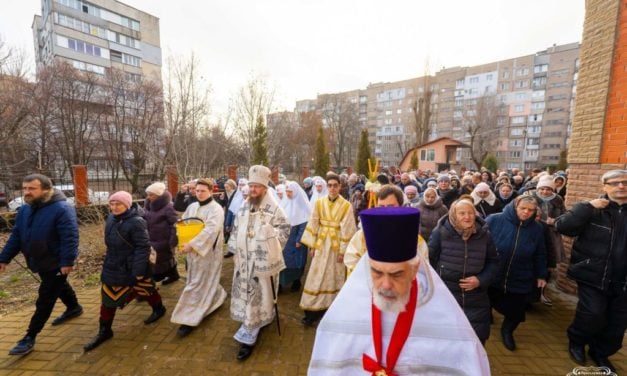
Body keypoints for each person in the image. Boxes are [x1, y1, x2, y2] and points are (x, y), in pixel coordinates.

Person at [308, 207, 490, 375]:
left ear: (415, 268)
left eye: (396, 274)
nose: (385, 285)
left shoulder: (444, 316)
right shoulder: (346, 310)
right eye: (377, 273)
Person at [0, 174, 82, 356]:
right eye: (25, 188)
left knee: (45, 297)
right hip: (38, 260)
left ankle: (29, 336)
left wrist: (67, 261)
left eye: (32, 189)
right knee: (58, 286)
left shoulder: (62, 209)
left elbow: (70, 238)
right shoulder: (25, 209)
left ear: (46, 189)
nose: (26, 192)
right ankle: (74, 307)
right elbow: (16, 236)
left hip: (55, 261)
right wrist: (3, 258)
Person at [555, 170, 627, 372]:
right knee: (592, 314)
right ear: (604, 187)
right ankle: (576, 342)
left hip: (622, 281)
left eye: (624, 182)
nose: (620, 186)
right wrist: (586, 208)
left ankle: (600, 352)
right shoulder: (592, 210)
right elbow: (563, 227)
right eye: (614, 183)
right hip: (593, 275)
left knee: (617, 323)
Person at [84, 191, 166, 351]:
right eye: (112, 204)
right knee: (108, 298)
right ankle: (105, 331)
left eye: (118, 204)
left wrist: (138, 271)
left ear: (127, 205)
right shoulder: (110, 218)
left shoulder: (136, 222)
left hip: (133, 266)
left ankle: (159, 309)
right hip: (113, 265)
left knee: (145, 287)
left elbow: (142, 248)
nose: (114, 207)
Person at [227, 165, 290, 361]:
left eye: (256, 187)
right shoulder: (245, 205)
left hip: (262, 262)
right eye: (251, 186)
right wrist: (235, 249)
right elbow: (236, 227)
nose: (252, 190)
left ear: (264, 187)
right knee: (245, 294)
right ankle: (249, 321)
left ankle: (250, 334)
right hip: (243, 261)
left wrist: (269, 235)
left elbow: (285, 230)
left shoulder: (274, 208)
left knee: (259, 295)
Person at [428, 199, 500, 345]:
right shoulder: (441, 233)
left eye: (470, 213)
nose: (467, 217)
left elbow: (494, 261)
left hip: (476, 297)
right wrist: (439, 281)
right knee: (446, 340)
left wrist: (481, 280)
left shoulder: (484, 235)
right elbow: (429, 260)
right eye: (462, 213)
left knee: (476, 341)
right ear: (453, 214)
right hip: (447, 295)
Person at [486, 196, 547, 352]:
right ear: (515, 207)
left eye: (531, 210)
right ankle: (487, 316)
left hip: (521, 274)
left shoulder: (537, 228)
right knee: (487, 300)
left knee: (516, 309)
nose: (526, 212)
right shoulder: (495, 220)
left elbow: (540, 253)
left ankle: (507, 331)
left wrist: (541, 274)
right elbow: (480, 242)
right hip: (494, 271)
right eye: (523, 208)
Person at [171, 178, 227, 337]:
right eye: (197, 191)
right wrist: (181, 234)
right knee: (197, 280)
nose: (199, 194)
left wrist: (193, 244)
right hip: (192, 253)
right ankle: (216, 296)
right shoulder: (192, 206)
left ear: (211, 191)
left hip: (208, 253)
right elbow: (185, 224)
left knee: (197, 284)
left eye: (203, 191)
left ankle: (189, 318)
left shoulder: (216, 209)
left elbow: (210, 231)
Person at [300, 173, 357, 326]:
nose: (332, 188)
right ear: (327, 186)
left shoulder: (346, 205)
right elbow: (313, 223)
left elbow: (348, 229)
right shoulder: (319, 203)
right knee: (315, 275)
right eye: (329, 185)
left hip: (336, 246)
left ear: (340, 186)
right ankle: (312, 310)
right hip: (321, 244)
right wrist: (312, 246)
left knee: (333, 275)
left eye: (335, 185)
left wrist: (343, 252)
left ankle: (331, 309)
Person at [344, 184, 428, 275]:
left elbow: (422, 269)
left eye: (390, 207)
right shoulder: (363, 235)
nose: (385, 211)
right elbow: (351, 259)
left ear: (400, 207)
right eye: (381, 207)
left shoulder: (413, 239)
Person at [532, 175, 566, 306]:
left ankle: (542, 293)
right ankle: (531, 294)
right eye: (542, 189)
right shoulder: (531, 198)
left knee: (548, 265)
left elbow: (565, 216)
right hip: (535, 233)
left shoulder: (558, 200)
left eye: (548, 189)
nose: (545, 192)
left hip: (552, 235)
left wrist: (556, 221)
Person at [143, 182, 179, 285]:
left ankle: (154, 281)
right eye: (148, 194)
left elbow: (175, 225)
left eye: (151, 194)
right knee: (158, 259)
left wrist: (172, 241)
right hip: (151, 238)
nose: (148, 197)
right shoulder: (148, 205)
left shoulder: (169, 207)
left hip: (164, 239)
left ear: (159, 195)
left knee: (163, 259)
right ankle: (173, 275)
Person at [279, 181, 312, 292]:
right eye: (287, 191)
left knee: (297, 261)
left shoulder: (302, 205)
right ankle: (281, 282)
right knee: (284, 261)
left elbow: (304, 224)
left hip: (297, 241)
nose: (288, 194)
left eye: (290, 192)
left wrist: (299, 239)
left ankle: (296, 281)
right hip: (285, 240)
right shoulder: (285, 203)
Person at [224, 178, 248, 258]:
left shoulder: (248, 196)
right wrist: (227, 224)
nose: (241, 187)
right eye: (240, 185)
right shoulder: (236, 196)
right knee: (233, 237)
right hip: (234, 221)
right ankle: (231, 251)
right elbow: (230, 211)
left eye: (243, 185)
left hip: (244, 223)